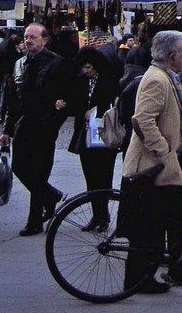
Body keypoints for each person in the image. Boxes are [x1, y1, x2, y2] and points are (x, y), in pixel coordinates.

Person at [121, 30, 182, 292]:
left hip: (167, 166)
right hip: (152, 167)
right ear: (172, 55)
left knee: (181, 219)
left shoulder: (170, 78)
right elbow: (142, 121)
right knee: (149, 227)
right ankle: (139, 279)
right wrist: (163, 150)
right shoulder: (156, 80)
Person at [0, 23, 71, 236]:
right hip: (25, 123)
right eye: (26, 37)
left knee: (39, 173)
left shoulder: (57, 63)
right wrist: (7, 130)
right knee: (20, 167)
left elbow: (67, 99)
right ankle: (51, 197)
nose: (28, 40)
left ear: (44, 40)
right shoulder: (20, 63)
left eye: (32, 37)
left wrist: (53, 122)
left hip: (44, 125)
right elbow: (14, 100)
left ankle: (34, 221)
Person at [67, 46, 120, 231]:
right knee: (90, 177)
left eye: (89, 67)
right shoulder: (81, 81)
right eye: (84, 67)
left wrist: (97, 110)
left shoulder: (109, 81)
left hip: (104, 135)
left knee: (104, 177)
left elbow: (113, 105)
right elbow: (74, 103)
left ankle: (103, 215)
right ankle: (96, 215)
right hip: (86, 135)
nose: (86, 71)